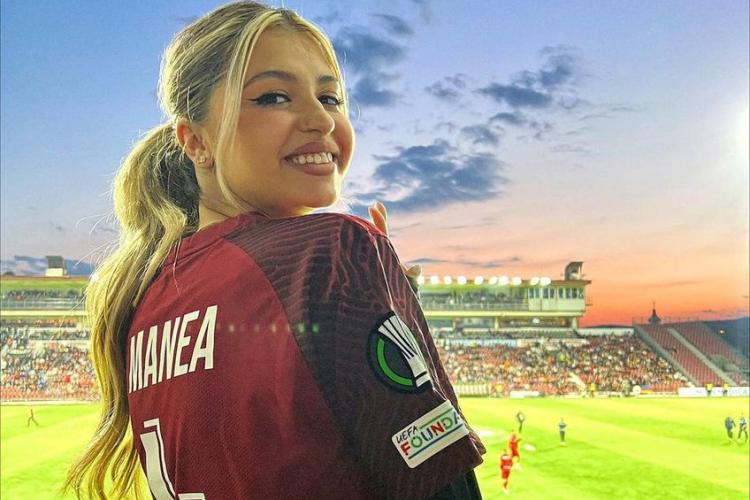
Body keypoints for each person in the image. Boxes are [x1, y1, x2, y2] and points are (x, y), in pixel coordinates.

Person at [63, 2, 485, 499]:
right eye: (273, 97)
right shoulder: (332, 252)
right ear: (195, 141)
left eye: (330, 97)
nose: (320, 120)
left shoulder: (146, 301)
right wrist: (370, 284)